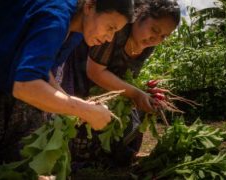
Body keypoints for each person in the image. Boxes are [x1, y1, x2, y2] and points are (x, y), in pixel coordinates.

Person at [0, 0, 134, 166]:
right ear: (90, 6)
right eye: (110, 27)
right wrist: (83, 110)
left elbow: (40, 68)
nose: (110, 38)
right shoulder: (56, 18)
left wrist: (68, 100)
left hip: (5, 54)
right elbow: (25, 85)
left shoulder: (77, 30)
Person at [57, 0, 181, 167]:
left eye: (163, 36)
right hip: (81, 78)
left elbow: (124, 76)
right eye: (154, 30)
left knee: (129, 119)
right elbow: (95, 71)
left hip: (106, 89)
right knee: (75, 129)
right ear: (139, 16)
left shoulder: (147, 45)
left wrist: (143, 92)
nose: (156, 39)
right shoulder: (116, 29)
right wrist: (136, 93)